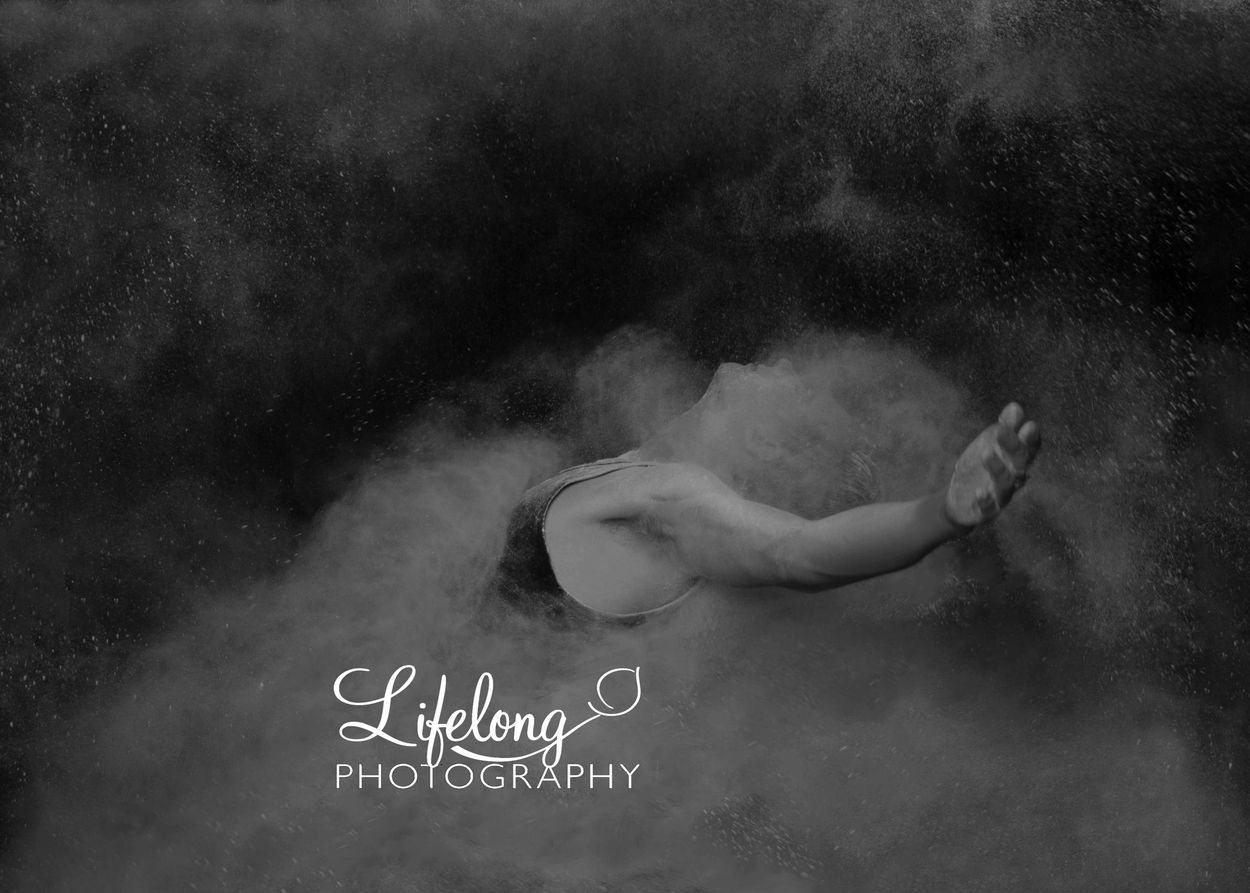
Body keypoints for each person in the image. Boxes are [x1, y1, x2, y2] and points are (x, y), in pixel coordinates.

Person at [495, 362, 1041, 629]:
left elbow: (798, 553)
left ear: (768, 446)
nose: (779, 364)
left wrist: (939, 516)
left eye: (793, 384)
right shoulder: (639, 473)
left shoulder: (678, 497)